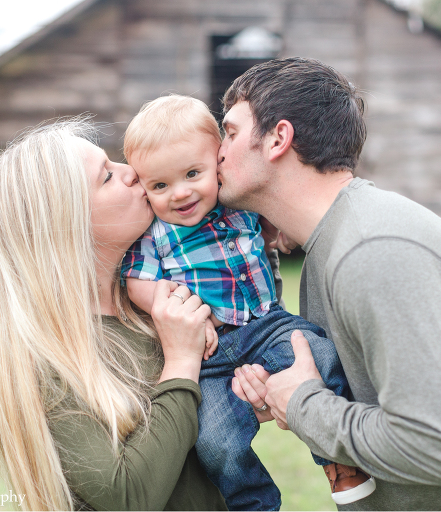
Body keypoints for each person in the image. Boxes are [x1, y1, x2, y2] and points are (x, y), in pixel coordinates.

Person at [222, 57, 441, 510]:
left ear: (277, 139)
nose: (217, 151)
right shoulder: (333, 249)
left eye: (230, 132)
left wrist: (305, 406)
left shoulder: (375, 249)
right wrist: (286, 388)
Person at [119, 95, 375, 510]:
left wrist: (284, 232)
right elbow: (138, 282)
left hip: (267, 323)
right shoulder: (154, 232)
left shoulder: (238, 203)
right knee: (215, 440)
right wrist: (177, 309)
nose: (180, 193)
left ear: (217, 161)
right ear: (145, 187)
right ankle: (251, 503)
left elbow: (274, 219)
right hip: (211, 353)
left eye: (192, 173)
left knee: (322, 354)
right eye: (160, 185)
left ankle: (340, 463)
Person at [0, 119, 228, 511]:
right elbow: (127, 497)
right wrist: (181, 361)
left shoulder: (146, 303)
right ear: (66, 221)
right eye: (108, 176)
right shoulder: (39, 357)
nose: (132, 173)